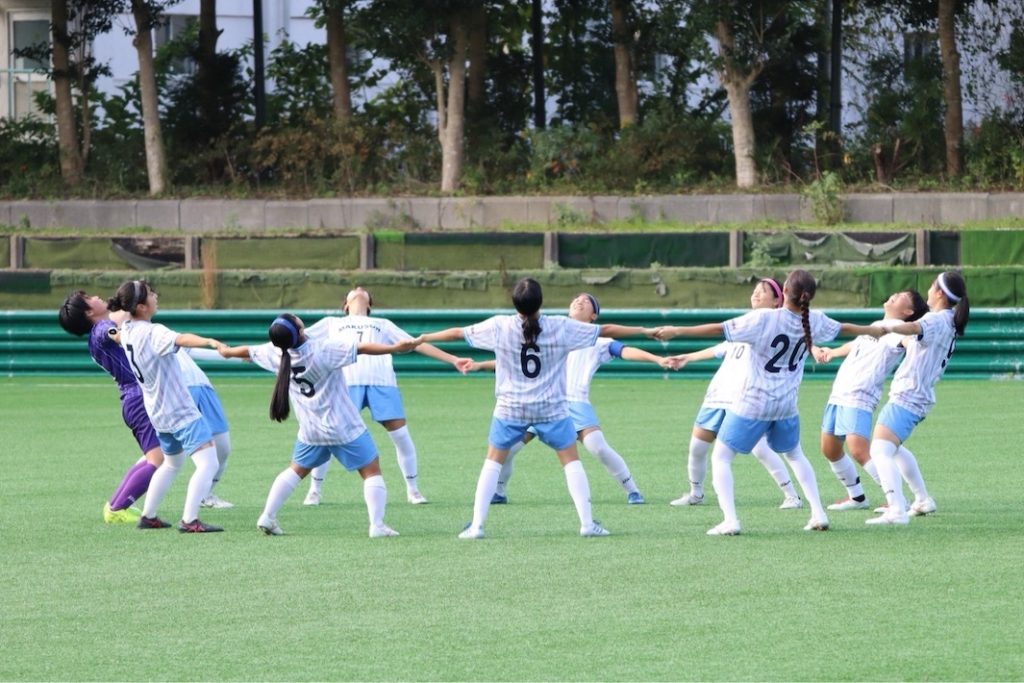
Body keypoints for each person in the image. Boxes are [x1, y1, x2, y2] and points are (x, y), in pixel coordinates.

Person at [655, 269, 886, 535]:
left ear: (785, 292)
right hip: (786, 404)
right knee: (795, 455)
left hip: (753, 402)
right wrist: (873, 330)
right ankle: (818, 513)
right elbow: (844, 328)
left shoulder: (764, 318)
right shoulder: (815, 319)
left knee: (721, 457)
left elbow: (719, 329)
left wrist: (677, 330)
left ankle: (730, 520)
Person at [415, 278, 650, 539]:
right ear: (541, 302)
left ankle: (477, 525)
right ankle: (586, 523)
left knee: (493, 461)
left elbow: (459, 333)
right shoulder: (560, 326)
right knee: (571, 462)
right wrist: (644, 330)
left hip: (510, 407)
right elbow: (604, 328)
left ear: (515, 303)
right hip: (551, 407)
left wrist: (425, 336)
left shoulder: (499, 326)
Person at [217, 313, 421, 537]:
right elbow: (362, 348)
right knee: (372, 471)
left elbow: (246, 350)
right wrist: (395, 347)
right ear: (301, 329)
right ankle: (377, 525)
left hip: (310, 429)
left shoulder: (274, 353)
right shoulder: (323, 349)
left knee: (295, 470)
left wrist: (227, 352)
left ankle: (268, 515)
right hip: (344, 427)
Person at [478, 293, 683, 506]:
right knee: (509, 448)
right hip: (542, 401)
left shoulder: (600, 341)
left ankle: (632, 490)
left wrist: (658, 359)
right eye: (576, 298)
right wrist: (479, 365)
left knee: (597, 446)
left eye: (587, 301)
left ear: (593, 316)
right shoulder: (550, 331)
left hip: (575, 402)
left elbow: (625, 350)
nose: (579, 300)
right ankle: (499, 492)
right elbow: (518, 359)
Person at [301, 287, 471, 506]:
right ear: (345, 305)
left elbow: (415, 344)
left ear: (369, 305)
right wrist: (260, 352)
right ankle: (314, 490)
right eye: (354, 290)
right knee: (328, 437)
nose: (359, 289)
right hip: (344, 382)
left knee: (401, 436)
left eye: (363, 291)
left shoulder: (382, 324)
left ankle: (413, 490)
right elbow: (296, 338)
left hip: (382, 383)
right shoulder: (331, 323)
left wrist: (453, 359)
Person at [668, 278, 805, 510]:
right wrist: (687, 357)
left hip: (747, 399)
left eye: (763, 292)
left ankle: (792, 495)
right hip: (717, 396)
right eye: (754, 291)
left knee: (761, 449)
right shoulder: (743, 325)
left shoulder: (772, 327)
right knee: (697, 448)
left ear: (777, 301)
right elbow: (719, 349)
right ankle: (696, 493)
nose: (756, 294)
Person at [108, 280, 227, 533]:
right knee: (209, 463)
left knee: (171, 464)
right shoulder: (153, 332)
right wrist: (209, 341)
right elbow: (181, 339)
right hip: (180, 410)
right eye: (151, 294)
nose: (156, 296)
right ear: (141, 306)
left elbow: (117, 336)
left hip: (158, 413)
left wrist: (111, 335)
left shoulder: (127, 329)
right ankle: (190, 520)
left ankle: (149, 515)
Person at [862, 271, 969, 526]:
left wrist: (888, 326)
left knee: (879, 449)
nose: (929, 290)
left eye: (933, 286)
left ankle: (896, 510)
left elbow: (914, 327)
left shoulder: (936, 319)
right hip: (918, 396)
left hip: (909, 395)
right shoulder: (948, 320)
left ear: (940, 293)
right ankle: (922, 499)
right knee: (894, 449)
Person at [812, 289, 928, 511]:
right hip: (839, 392)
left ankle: (897, 500)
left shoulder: (898, 332)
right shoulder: (876, 325)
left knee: (859, 450)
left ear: (908, 311)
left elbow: (909, 342)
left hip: (860, 395)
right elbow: (855, 345)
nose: (894, 294)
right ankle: (857, 497)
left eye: (902, 296)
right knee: (830, 449)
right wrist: (833, 352)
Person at [58, 290, 162, 524]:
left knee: (155, 456)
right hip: (137, 398)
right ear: (89, 311)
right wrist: (126, 334)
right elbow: (114, 333)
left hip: (135, 398)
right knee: (158, 459)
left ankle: (116, 505)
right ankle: (117, 507)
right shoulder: (101, 330)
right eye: (89, 297)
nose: (96, 296)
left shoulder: (98, 330)